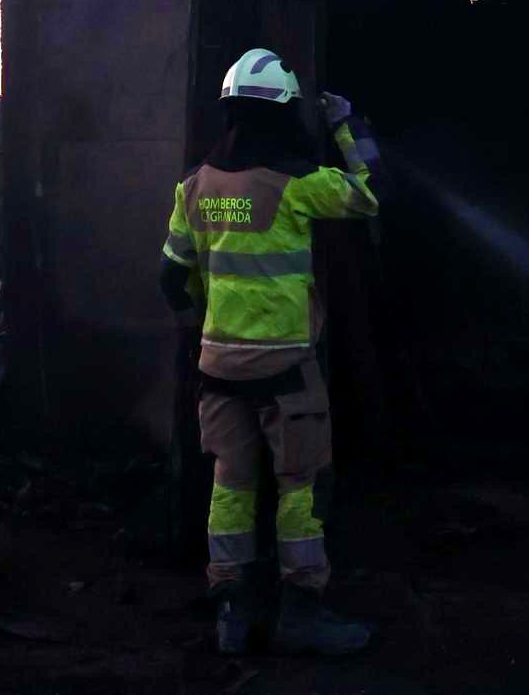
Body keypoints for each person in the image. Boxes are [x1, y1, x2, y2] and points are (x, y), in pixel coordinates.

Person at [158, 47, 383, 656]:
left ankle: (231, 611)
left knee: (230, 485)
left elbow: (171, 277)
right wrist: (345, 125)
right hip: (286, 369)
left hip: (217, 370)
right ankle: (302, 610)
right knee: (300, 487)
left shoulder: (194, 187)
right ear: (284, 113)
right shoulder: (298, 185)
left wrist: (207, 329)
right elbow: (367, 194)